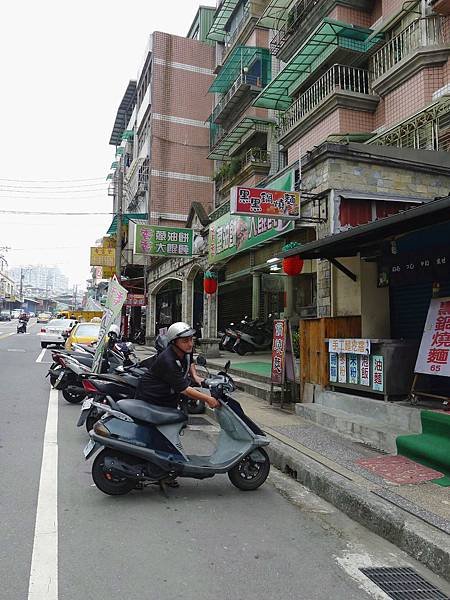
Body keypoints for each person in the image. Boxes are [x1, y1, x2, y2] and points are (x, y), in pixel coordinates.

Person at [135, 322, 219, 411]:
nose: (190, 344)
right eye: (185, 341)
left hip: (169, 394)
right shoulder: (168, 360)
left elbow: (190, 362)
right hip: (153, 397)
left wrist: (194, 375)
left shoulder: (186, 350)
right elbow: (184, 389)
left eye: (191, 339)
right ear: (174, 342)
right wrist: (208, 399)